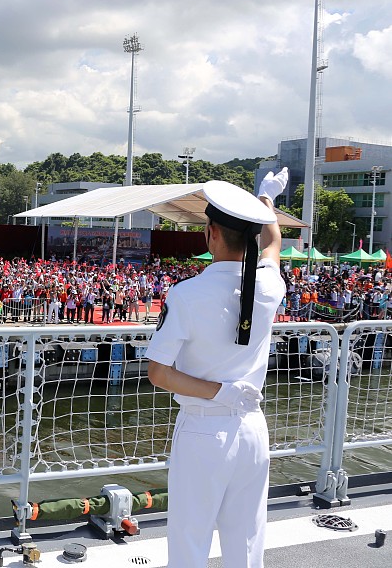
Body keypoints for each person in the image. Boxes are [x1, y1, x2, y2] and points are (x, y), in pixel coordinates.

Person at [144, 167, 288, 568]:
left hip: (204, 426)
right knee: (246, 538)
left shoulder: (187, 294)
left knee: (191, 538)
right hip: (253, 427)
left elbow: (159, 372)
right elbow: (273, 242)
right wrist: (266, 199)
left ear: (211, 234)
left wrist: (218, 391)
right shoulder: (268, 285)